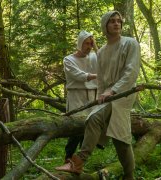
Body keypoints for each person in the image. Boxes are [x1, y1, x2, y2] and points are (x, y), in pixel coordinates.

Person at [56, 11, 141, 180]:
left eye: (119, 21)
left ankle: (78, 161)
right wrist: (102, 94)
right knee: (120, 138)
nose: (117, 24)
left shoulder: (130, 43)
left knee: (94, 118)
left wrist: (113, 91)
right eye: (112, 22)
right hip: (108, 95)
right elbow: (101, 79)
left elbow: (131, 72)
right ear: (105, 26)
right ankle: (129, 176)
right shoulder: (102, 51)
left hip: (124, 94)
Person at [60, 30, 98, 163]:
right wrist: (98, 76)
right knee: (76, 128)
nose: (88, 46)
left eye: (91, 43)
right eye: (86, 43)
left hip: (92, 95)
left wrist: (96, 48)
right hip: (77, 96)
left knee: (89, 128)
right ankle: (68, 157)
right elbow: (79, 75)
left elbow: (105, 62)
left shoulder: (94, 56)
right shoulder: (68, 60)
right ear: (80, 44)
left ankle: (80, 161)